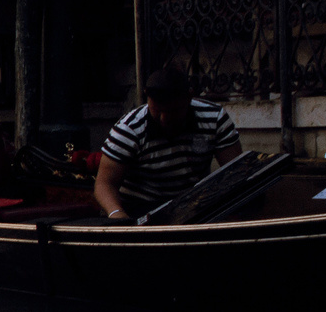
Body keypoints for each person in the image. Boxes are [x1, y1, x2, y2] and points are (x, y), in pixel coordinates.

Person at [94, 68, 243, 222]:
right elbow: (105, 183)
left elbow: (235, 170)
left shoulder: (215, 118)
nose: (164, 119)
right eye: (157, 110)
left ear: (189, 97)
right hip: (140, 208)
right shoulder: (129, 129)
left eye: (173, 111)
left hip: (194, 205)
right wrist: (117, 214)